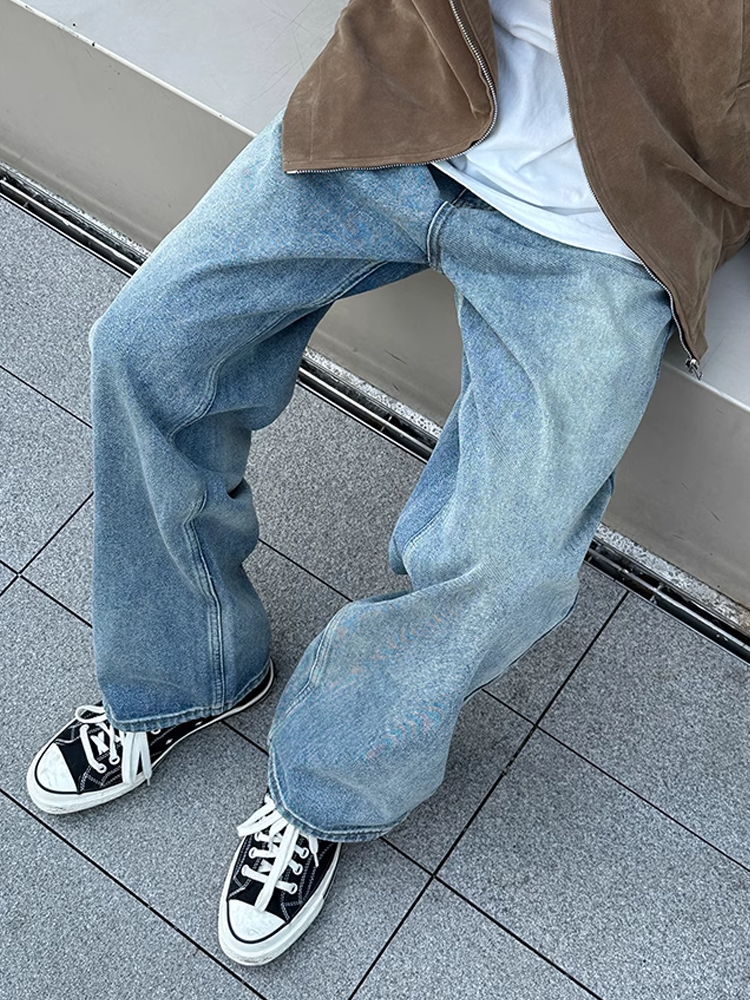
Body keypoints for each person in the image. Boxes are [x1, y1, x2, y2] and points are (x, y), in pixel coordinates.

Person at [25, 0, 749, 967]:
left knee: (504, 556)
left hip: (604, 224)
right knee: (145, 348)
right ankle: (184, 668)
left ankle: (325, 784)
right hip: (402, 111)